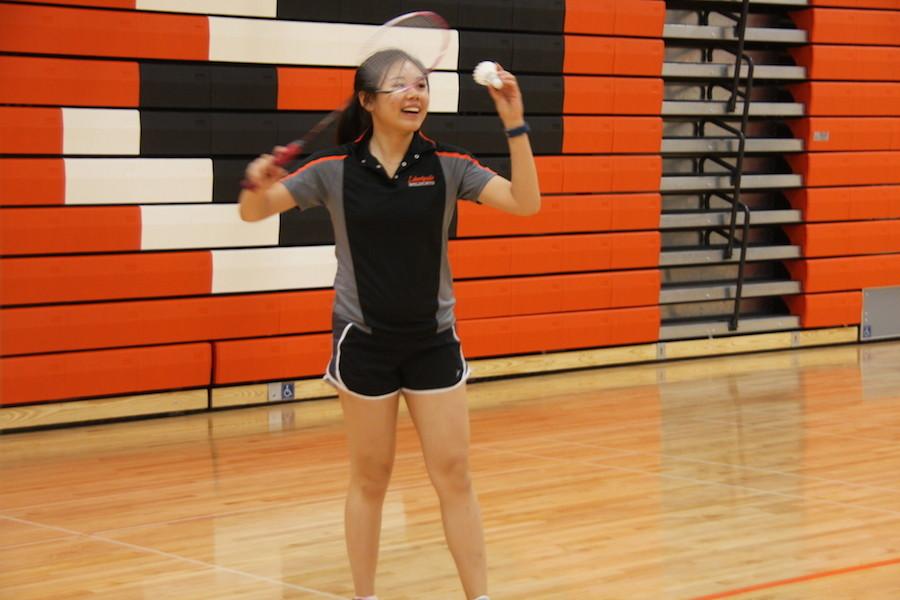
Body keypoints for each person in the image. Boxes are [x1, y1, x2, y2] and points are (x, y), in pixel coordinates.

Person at [239, 49, 540, 600]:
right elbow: (253, 213)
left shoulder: (447, 163)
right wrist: (254, 184)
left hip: (432, 342)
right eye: (399, 85)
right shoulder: (331, 170)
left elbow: (526, 202)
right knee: (370, 480)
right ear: (367, 101)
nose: (414, 94)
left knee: (455, 475)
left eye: (421, 85)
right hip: (365, 344)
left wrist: (513, 121)